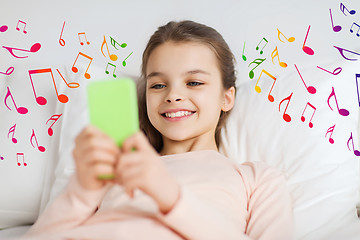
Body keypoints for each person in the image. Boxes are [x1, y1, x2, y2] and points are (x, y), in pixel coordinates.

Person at [23, 20, 293, 240]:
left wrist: (170, 195)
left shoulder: (256, 178)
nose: (173, 95)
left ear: (227, 97)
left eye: (194, 82)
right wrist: (81, 191)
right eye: (158, 85)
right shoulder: (114, 172)